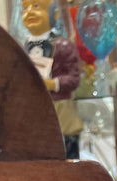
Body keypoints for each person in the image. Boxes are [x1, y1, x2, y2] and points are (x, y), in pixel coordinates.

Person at [20, 0, 82, 159]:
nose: (29, 12)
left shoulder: (63, 46)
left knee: (66, 160)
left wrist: (53, 84)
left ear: (54, 13)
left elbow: (74, 78)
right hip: (33, 115)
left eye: (36, 6)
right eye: (25, 8)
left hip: (61, 114)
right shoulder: (20, 49)